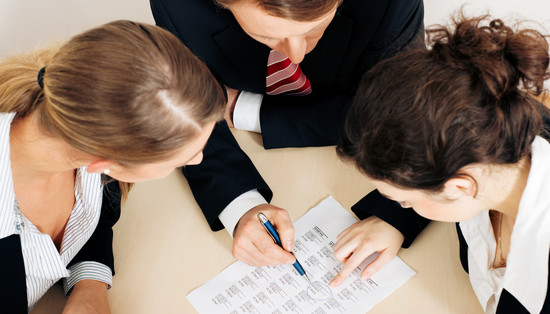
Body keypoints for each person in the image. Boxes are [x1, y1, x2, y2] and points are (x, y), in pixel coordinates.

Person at [150, 0, 425, 271]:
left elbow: (401, 109)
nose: (296, 55)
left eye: (314, 30)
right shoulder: (179, 7)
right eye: (267, 36)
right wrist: (241, 205)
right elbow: (186, 110)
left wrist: (245, 111)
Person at [0, 20, 224, 313]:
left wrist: (89, 284)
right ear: (107, 162)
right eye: (181, 159)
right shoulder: (93, 148)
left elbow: (91, 222)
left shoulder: (88, 137)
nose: (198, 160)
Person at [335, 15, 550, 313]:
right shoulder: (493, 127)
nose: (403, 207)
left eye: (406, 202)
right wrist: (391, 220)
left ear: (460, 186)